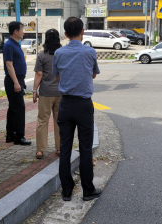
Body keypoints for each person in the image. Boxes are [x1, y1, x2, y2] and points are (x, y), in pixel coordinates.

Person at [53, 17, 101, 202]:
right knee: (85, 148)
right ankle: (87, 190)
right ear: (83, 31)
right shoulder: (90, 51)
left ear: (65, 34)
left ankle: (66, 190)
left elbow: (57, 76)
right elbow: (94, 74)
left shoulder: (59, 53)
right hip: (83, 105)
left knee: (65, 147)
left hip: (65, 104)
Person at [33, 29, 62, 159]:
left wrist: (34, 91)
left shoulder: (42, 55)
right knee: (60, 121)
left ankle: (40, 150)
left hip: (45, 92)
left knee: (43, 121)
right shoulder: (62, 54)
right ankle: (60, 148)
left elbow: (39, 74)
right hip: (61, 92)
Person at [3, 21, 31, 146]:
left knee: (13, 108)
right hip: (14, 79)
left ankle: (10, 135)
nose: (23, 32)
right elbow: (9, 65)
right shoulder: (9, 45)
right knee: (19, 108)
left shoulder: (15, 44)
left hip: (17, 79)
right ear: (15, 32)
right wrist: (16, 82)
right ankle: (19, 136)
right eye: (22, 29)